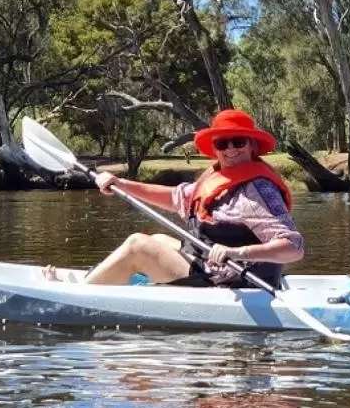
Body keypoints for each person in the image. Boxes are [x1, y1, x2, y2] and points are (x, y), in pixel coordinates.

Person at [43, 109, 304, 286]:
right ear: (215, 149)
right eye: (222, 144)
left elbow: (293, 247)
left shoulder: (257, 190)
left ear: (252, 145)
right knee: (156, 240)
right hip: (209, 265)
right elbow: (175, 198)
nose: (231, 150)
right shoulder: (217, 176)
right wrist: (120, 183)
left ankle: (81, 294)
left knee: (137, 245)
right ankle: (108, 279)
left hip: (234, 280)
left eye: (238, 142)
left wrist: (237, 252)